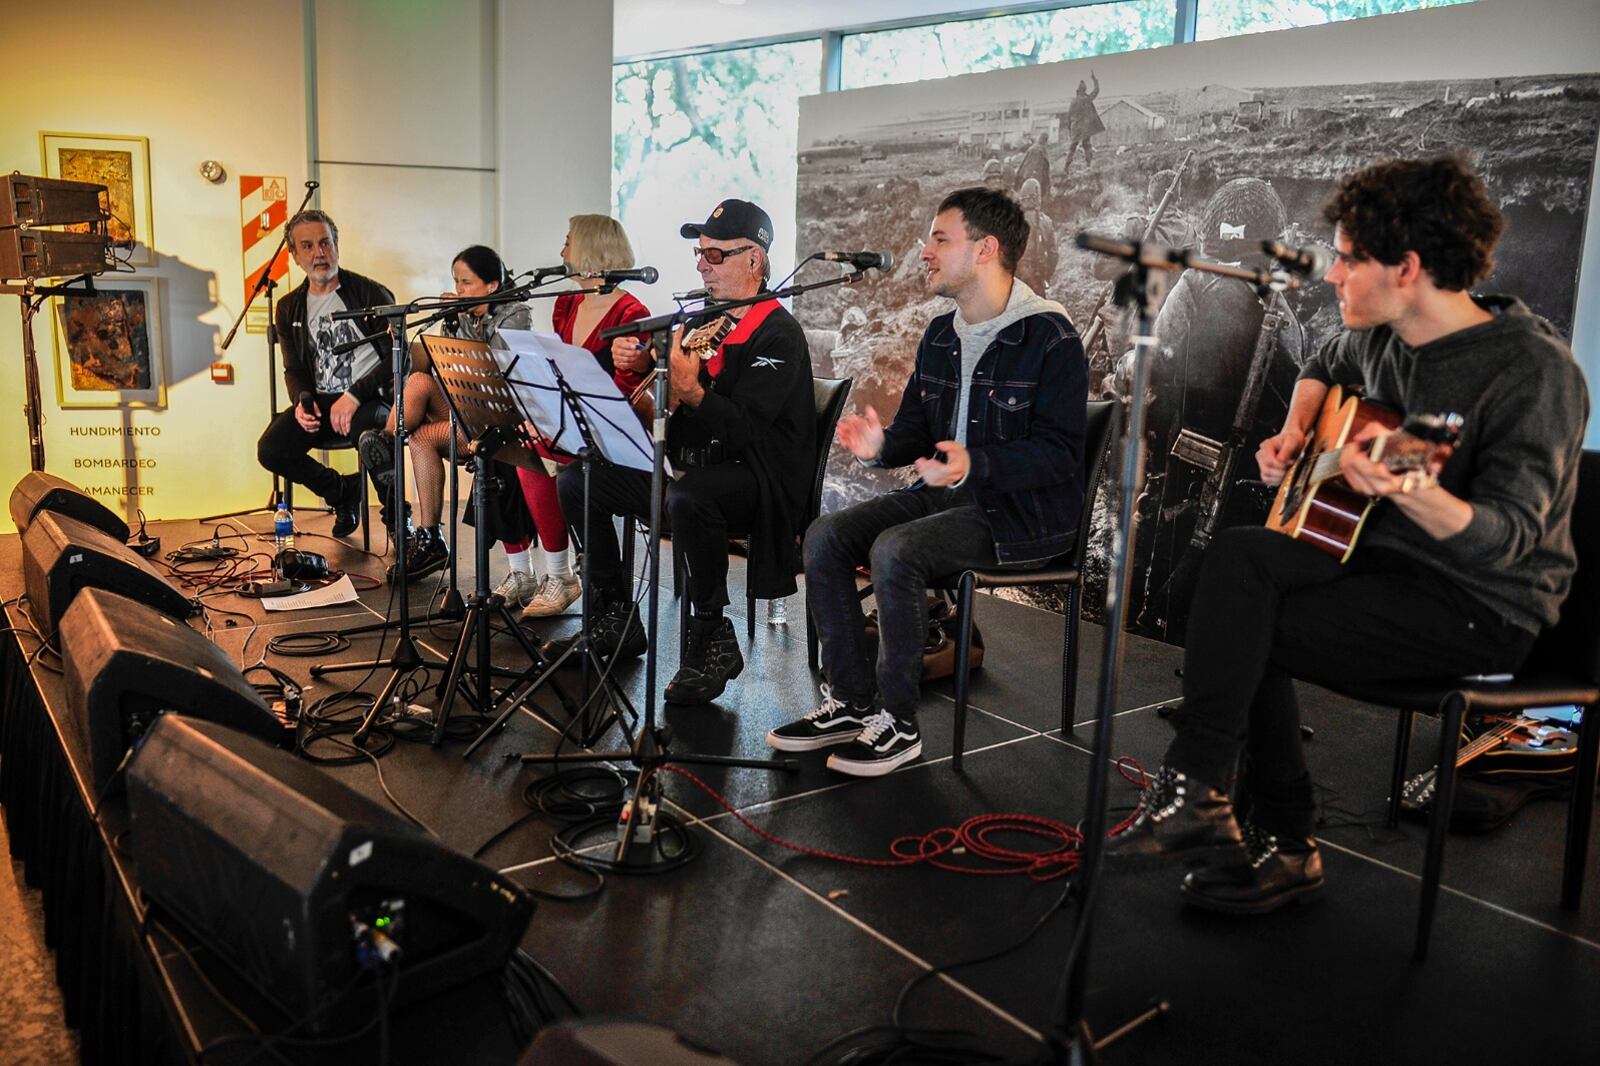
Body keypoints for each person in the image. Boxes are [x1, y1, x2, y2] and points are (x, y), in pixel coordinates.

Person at [1104, 156, 1589, 914]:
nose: (1330, 275)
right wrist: (1299, 429)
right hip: (1378, 564)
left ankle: (1281, 837)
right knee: (1238, 561)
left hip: (1476, 606)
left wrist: (1411, 490)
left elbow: (1508, 539)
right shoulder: (1385, 337)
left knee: (1246, 624)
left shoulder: (1533, 371)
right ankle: (1205, 791)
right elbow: (1328, 361)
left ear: (1408, 267)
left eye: (1347, 257)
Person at [767, 186, 1088, 777]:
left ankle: (899, 723)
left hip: (1019, 516)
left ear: (986, 249)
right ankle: (850, 703)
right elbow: (915, 430)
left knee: (897, 549)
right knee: (824, 537)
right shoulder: (942, 333)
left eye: (941, 238)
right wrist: (881, 446)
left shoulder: (1050, 337)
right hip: (944, 499)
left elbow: (1062, 455)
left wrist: (976, 465)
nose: (924, 251)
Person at [550, 199, 815, 705]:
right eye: (700, 253)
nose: (701, 264)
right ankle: (616, 615)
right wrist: (646, 369)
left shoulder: (779, 332)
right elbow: (666, 410)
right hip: (695, 465)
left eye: (715, 256)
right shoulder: (700, 321)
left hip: (759, 479)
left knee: (690, 498)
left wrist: (692, 392)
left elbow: (746, 431)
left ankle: (712, 634)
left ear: (754, 260)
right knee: (579, 478)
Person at [1127, 177, 1306, 642]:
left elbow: (1156, 357)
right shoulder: (1276, 300)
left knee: (1166, 533)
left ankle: (1147, 620)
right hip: (1247, 466)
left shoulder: (1198, 282)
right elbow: (1294, 384)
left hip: (1188, 452)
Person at [508, 214, 654, 618]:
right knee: (510, 442)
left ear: (591, 251)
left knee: (535, 448)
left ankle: (568, 577)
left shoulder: (630, 310)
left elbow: (627, 391)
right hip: (570, 419)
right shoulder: (567, 303)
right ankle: (551, 571)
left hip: (608, 428)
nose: (561, 251)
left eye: (568, 241)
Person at [359, 245, 530, 582]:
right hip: (461, 404)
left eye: (466, 282)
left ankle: (427, 532)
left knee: (421, 437)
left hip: (493, 417)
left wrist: (463, 319)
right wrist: (451, 322)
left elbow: (488, 367)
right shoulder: (462, 314)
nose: (459, 289)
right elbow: (446, 366)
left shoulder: (516, 313)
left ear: (492, 285)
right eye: (456, 281)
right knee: (420, 380)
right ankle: (390, 446)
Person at [256, 209, 396, 536]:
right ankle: (341, 492)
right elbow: (293, 367)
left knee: (370, 439)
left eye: (325, 243)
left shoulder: (370, 294)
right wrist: (302, 400)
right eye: (307, 246)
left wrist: (354, 394)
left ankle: (397, 523)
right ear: (294, 256)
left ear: (336, 244)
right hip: (323, 401)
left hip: (368, 399)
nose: (319, 253)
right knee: (271, 448)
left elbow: (396, 357)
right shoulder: (289, 306)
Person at [1013, 177, 1058, 298]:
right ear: (1038, 198)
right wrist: (1047, 275)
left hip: (1017, 277)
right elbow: (1053, 254)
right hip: (1038, 277)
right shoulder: (1046, 221)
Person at [1063, 72, 1103, 173]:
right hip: (1085, 128)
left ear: (1078, 90)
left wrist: (1069, 129)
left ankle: (1066, 167)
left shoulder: (1074, 101)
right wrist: (1094, 80)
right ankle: (1088, 166)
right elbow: (1096, 90)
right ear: (1084, 90)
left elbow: (1068, 117)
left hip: (1075, 128)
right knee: (1087, 146)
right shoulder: (1087, 99)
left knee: (1072, 147)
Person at [1016, 132, 1051, 201]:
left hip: (1034, 179)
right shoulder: (1037, 150)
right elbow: (1032, 167)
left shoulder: (1038, 148)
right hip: (1033, 180)